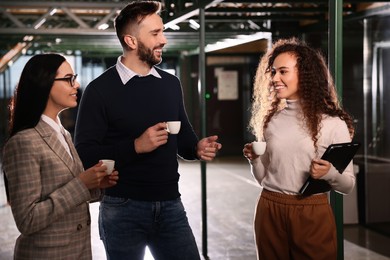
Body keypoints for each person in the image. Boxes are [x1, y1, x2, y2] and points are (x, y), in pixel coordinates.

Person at [74, 1, 222, 260]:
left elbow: (184, 136)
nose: (163, 39)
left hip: (171, 205)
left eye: (162, 31)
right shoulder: (100, 90)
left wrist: (196, 148)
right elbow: (85, 154)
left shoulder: (170, 84)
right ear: (131, 41)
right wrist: (135, 146)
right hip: (122, 208)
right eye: (155, 33)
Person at [242, 38, 356, 259]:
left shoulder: (333, 123)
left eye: (283, 71)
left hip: (311, 211)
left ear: (304, 74)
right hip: (269, 206)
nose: (275, 78)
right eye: (273, 72)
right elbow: (263, 178)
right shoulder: (271, 120)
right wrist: (255, 160)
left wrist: (329, 173)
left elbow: (348, 186)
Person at [1, 53, 119, 259]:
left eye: (75, 78)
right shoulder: (24, 141)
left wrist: (96, 187)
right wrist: (82, 184)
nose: (76, 85)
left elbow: (64, 192)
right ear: (44, 84)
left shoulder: (61, 132)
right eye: (68, 79)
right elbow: (27, 220)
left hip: (77, 251)